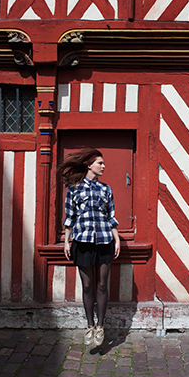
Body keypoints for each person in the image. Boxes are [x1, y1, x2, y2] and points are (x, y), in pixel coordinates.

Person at [57, 148, 120, 347]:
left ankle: (100, 326)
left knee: (102, 284)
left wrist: (117, 240)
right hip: (82, 242)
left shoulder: (106, 189)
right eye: (100, 163)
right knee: (86, 285)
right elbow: (70, 218)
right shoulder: (74, 190)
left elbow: (111, 217)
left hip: (104, 241)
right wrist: (67, 241)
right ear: (89, 165)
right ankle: (89, 325)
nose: (103, 166)